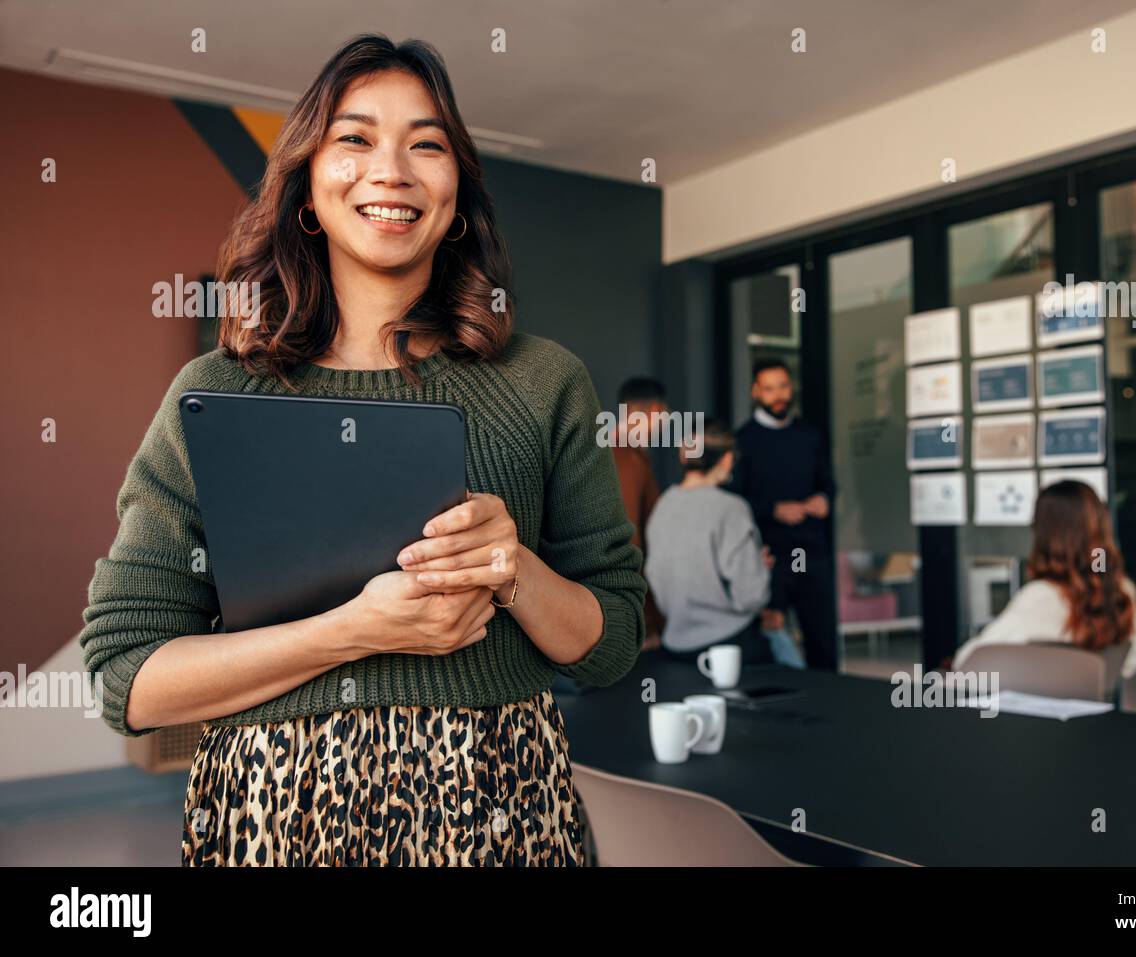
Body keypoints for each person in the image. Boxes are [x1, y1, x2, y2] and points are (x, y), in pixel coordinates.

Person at [76, 34, 645, 867]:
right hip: (276, 817)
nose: (393, 169)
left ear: (456, 195)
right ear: (308, 184)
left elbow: (614, 639)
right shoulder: (220, 392)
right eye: (354, 138)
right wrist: (349, 631)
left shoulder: (542, 380)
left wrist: (511, 567)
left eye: (427, 143)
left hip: (501, 810)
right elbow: (127, 677)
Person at [952, 480, 1136, 678]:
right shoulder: (1123, 590)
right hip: (1093, 703)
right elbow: (1129, 663)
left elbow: (969, 661)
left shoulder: (1040, 597)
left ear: (1045, 535)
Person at [727, 358, 840, 671]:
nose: (778, 395)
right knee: (772, 644)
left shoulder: (810, 435)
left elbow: (828, 484)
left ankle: (832, 714)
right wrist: (774, 509)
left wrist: (824, 498)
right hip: (769, 556)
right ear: (755, 392)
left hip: (812, 552)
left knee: (823, 643)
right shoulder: (743, 440)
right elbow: (734, 502)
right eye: (769, 388)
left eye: (783, 386)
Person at [643, 418, 776, 666]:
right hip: (729, 647)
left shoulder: (663, 505)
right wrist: (758, 570)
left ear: (685, 457)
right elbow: (751, 595)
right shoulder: (731, 508)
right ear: (726, 459)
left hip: (676, 646)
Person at [611, 376, 669, 651]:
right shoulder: (628, 459)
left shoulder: (606, 449)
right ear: (656, 411)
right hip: (626, 612)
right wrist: (647, 621)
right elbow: (629, 544)